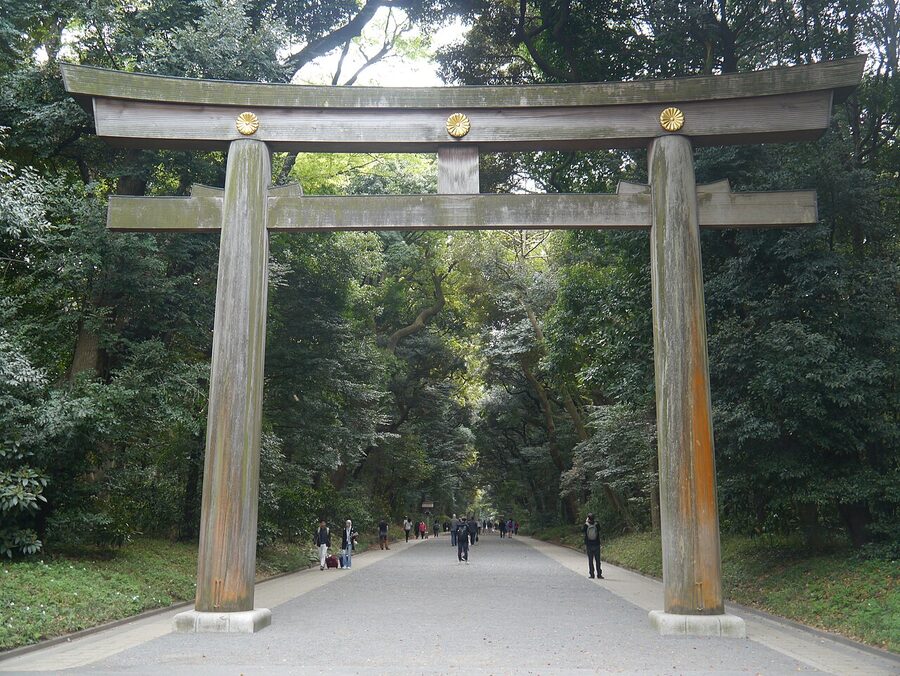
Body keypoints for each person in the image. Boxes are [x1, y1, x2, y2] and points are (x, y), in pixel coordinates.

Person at [583, 513, 603, 579]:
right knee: (598, 560)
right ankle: (599, 574)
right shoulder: (597, 524)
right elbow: (599, 530)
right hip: (596, 544)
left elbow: (583, 531)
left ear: (588, 518)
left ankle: (592, 574)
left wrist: (586, 522)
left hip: (589, 545)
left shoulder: (586, 525)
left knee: (590, 560)